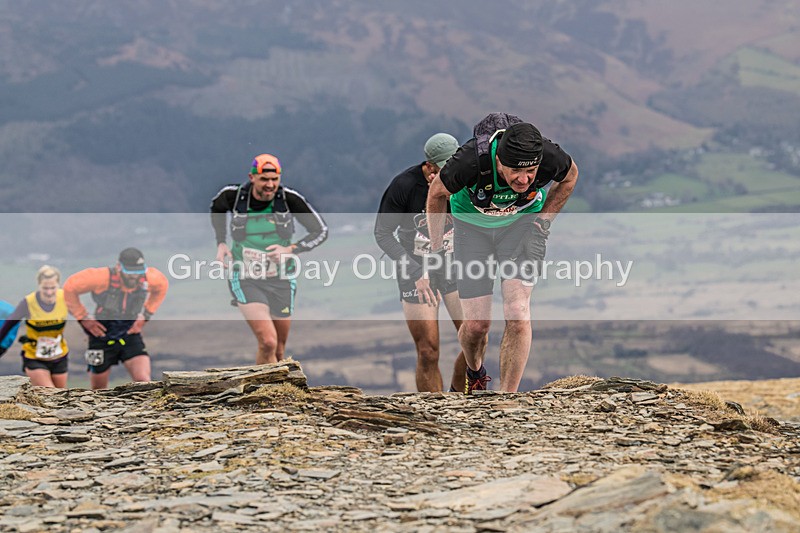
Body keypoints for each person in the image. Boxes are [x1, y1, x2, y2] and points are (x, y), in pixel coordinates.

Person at [426, 113, 579, 393]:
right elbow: (436, 194)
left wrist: (541, 225)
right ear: (498, 162)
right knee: (476, 325)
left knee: (518, 311)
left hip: (521, 226)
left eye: (531, 172)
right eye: (515, 172)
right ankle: (475, 372)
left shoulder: (548, 155)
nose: (524, 180)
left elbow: (570, 177)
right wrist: (436, 253)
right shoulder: (470, 160)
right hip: (472, 229)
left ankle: (508, 397)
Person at [211, 153, 328, 365]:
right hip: (245, 275)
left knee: (280, 351)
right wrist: (221, 242)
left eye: (275, 179)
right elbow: (216, 209)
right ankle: (261, 394)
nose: (270, 184)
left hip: (281, 277)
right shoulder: (233, 196)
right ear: (252, 177)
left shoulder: (289, 199)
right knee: (268, 342)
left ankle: (276, 392)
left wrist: (292, 249)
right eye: (264, 179)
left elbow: (320, 231)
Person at [374, 133, 468, 392]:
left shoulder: (463, 183)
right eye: (438, 172)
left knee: (474, 338)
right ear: (428, 165)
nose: (443, 179)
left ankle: (459, 399)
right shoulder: (404, 185)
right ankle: (435, 411)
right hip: (415, 269)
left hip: (453, 266)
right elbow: (382, 233)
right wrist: (415, 271)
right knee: (428, 351)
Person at [63, 248, 168, 390]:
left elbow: (162, 286)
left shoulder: (151, 278)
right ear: (119, 267)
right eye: (130, 272)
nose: (134, 277)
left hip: (130, 333)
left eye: (138, 272)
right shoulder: (100, 277)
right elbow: (70, 287)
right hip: (100, 335)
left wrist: (146, 315)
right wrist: (83, 318)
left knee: (144, 381)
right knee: (98, 389)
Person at [0, 266, 70, 388]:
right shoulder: (28, 302)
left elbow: (81, 316)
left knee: (61, 397)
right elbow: (8, 324)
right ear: (39, 285)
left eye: (53, 288)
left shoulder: (65, 298)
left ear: (58, 285)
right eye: (45, 288)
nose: (49, 292)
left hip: (59, 356)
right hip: (34, 357)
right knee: (50, 394)